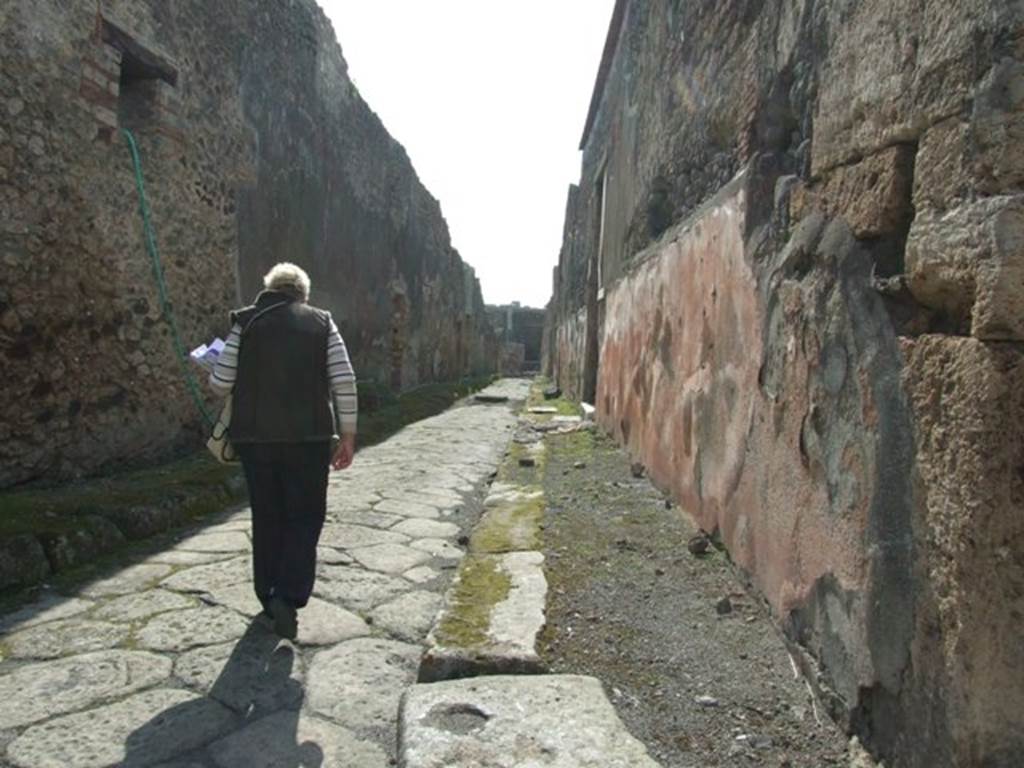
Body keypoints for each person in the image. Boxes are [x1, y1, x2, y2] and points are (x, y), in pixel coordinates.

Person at [209, 262, 357, 639]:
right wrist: (349, 435)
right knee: (305, 516)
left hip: (255, 439)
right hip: (308, 440)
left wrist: (213, 366)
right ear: (302, 294)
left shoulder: (245, 322)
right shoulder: (322, 322)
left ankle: (267, 594)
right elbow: (343, 379)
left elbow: (221, 382)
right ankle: (288, 597)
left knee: (268, 515)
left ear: (270, 289)